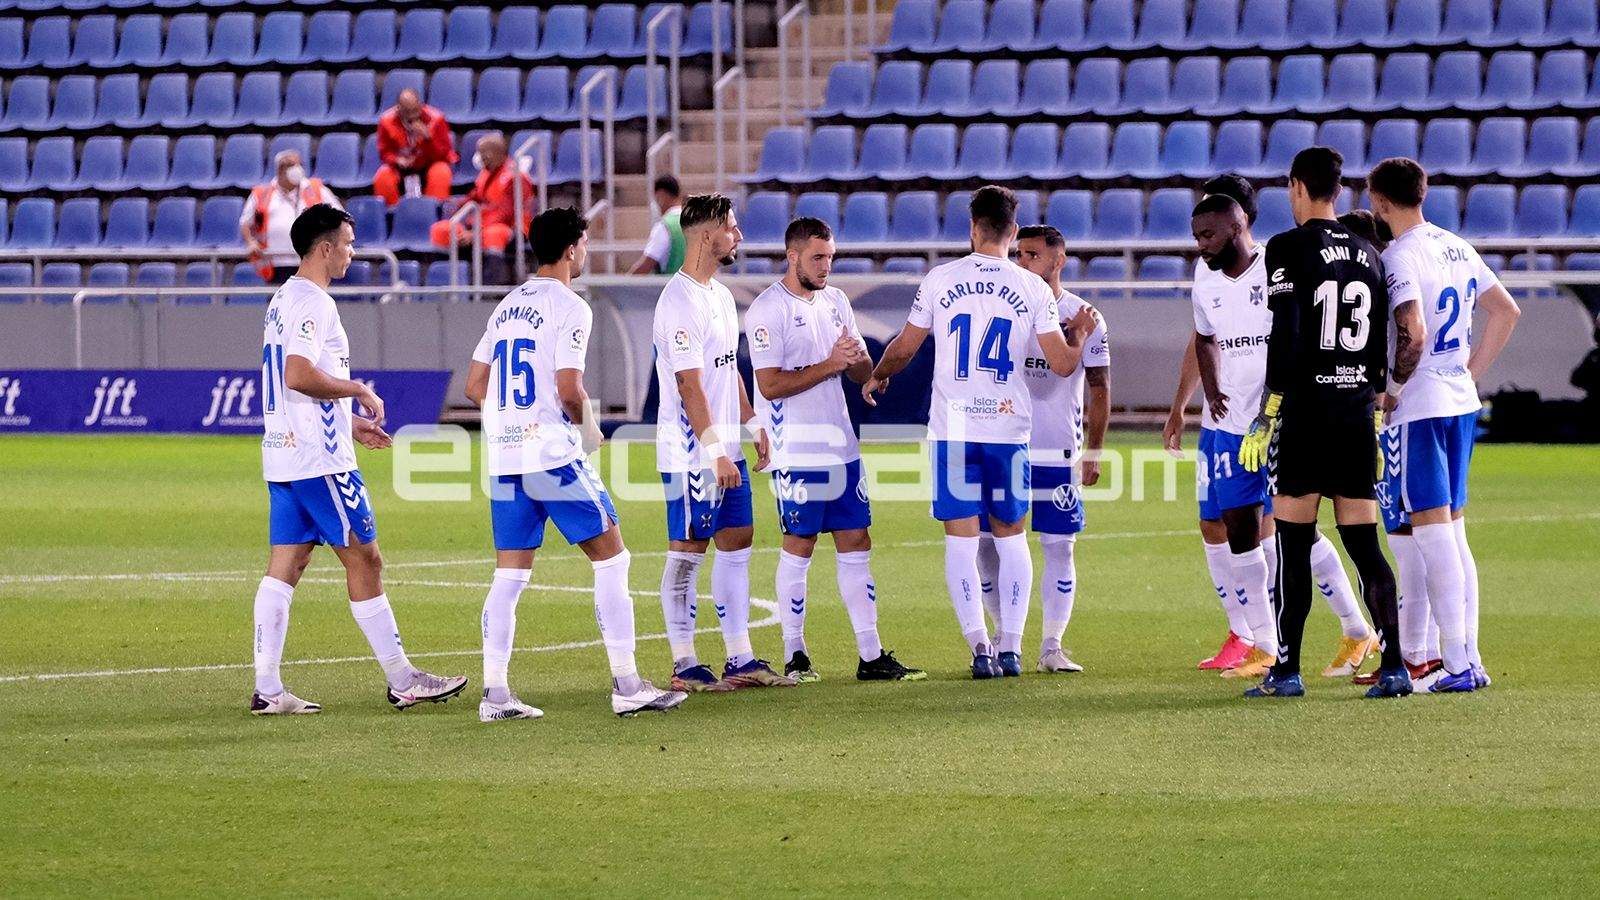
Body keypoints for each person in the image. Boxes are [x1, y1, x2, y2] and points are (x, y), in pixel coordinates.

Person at [464, 207, 687, 720]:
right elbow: (569, 388)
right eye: (584, 244)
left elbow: (476, 386)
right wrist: (588, 430)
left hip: (505, 456)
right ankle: (628, 684)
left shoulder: (507, 305)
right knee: (613, 557)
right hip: (551, 455)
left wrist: (512, 420)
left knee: (510, 576)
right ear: (571, 249)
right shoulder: (571, 306)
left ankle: (496, 694)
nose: (584, 253)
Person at [250, 204, 467, 715]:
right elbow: (298, 375)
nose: (352, 252)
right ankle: (403, 679)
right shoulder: (314, 304)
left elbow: (291, 387)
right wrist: (357, 390)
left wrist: (347, 421)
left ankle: (268, 689)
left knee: (287, 563)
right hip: (320, 463)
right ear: (325, 248)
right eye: (347, 243)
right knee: (365, 558)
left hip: (287, 456)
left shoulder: (282, 300)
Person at [862, 185, 1080, 679]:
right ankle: (1012, 648)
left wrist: (879, 373)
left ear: (973, 227)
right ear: (1014, 231)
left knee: (960, 542)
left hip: (954, 432)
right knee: (1011, 537)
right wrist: (1079, 337)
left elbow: (905, 345)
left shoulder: (941, 279)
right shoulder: (1033, 288)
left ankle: (979, 647)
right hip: (1008, 430)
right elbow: (1063, 364)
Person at [1167, 174, 1374, 676]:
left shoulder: (1278, 266)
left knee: (1288, 532)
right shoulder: (1205, 274)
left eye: (1209, 233)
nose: (1201, 244)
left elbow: (1303, 339)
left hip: (1283, 421)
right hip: (1231, 423)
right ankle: (1262, 643)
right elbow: (1204, 336)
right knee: (1238, 529)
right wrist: (1207, 391)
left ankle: (1356, 629)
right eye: (1197, 235)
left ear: (1240, 223)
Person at [1238, 146, 1407, 699]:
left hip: (1307, 414)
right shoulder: (1370, 250)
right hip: (1356, 415)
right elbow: (1383, 334)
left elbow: (1285, 334)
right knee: (1365, 546)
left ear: (1297, 186)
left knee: (1292, 543)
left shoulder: (1286, 247)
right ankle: (1396, 667)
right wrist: (1377, 405)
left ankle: (1286, 672)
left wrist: (1267, 414)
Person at [743, 216, 926, 683]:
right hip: (797, 450)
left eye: (830, 257)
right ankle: (795, 654)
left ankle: (870, 655)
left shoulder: (837, 301)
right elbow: (770, 385)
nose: (826, 266)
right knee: (799, 546)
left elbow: (859, 373)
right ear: (792, 256)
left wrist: (861, 362)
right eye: (817, 258)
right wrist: (830, 363)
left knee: (857, 542)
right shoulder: (768, 310)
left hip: (841, 445)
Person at [1367, 156, 1521, 693]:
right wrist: (1469, 374)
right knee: (1454, 532)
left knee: (1433, 534)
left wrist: (1393, 392)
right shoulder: (1457, 245)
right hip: (1458, 399)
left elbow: (1411, 334)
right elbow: (1506, 311)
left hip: (1425, 404)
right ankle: (1467, 657)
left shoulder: (1401, 257)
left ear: (1380, 201)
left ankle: (1457, 664)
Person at [652, 193, 790, 692]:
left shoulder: (719, 295)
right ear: (709, 235)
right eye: (732, 227)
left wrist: (752, 424)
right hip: (692, 452)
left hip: (721, 448)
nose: (739, 236)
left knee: (738, 540)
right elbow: (690, 385)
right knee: (688, 550)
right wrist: (713, 450)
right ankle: (684, 662)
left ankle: (740, 658)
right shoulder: (679, 300)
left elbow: (726, 370)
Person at [974, 224, 1105, 674]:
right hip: (1002, 445)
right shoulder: (1001, 309)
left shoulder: (1084, 315)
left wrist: (1096, 449)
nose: (1022, 262)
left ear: (1058, 259)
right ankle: (1000, 632)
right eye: (1018, 254)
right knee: (986, 547)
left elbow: (1100, 386)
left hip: (1057, 451)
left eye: (1032, 255)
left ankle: (1051, 645)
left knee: (1059, 548)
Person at [239, 150, 342, 285]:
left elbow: (340, 217)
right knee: (282, 304)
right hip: (275, 263)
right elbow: (245, 223)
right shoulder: (261, 194)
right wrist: (250, 242)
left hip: (311, 261)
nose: (297, 169)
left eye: (299, 164)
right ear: (280, 169)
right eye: (291, 165)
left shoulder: (316, 189)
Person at [429, 133, 532, 254]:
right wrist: (454, 207)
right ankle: (455, 271)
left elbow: (504, 214)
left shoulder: (515, 178)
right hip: (482, 224)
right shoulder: (486, 172)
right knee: (441, 230)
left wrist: (475, 233)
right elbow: (474, 197)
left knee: (493, 235)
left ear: (496, 154)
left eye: (482, 153)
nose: (479, 157)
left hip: (511, 227)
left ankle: (494, 272)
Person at [373, 88, 456, 206]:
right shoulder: (386, 121)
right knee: (383, 176)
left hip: (429, 163)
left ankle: (433, 210)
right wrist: (397, 160)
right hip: (401, 167)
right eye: (407, 111)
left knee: (441, 171)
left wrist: (428, 138)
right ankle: (394, 213)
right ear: (398, 108)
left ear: (420, 105)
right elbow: (385, 152)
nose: (412, 115)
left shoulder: (436, 119)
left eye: (415, 110)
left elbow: (443, 154)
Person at [630, 176, 686, 275]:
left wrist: (624, 284)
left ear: (661, 195)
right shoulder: (697, 222)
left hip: (672, 287)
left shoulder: (665, 226)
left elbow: (645, 265)